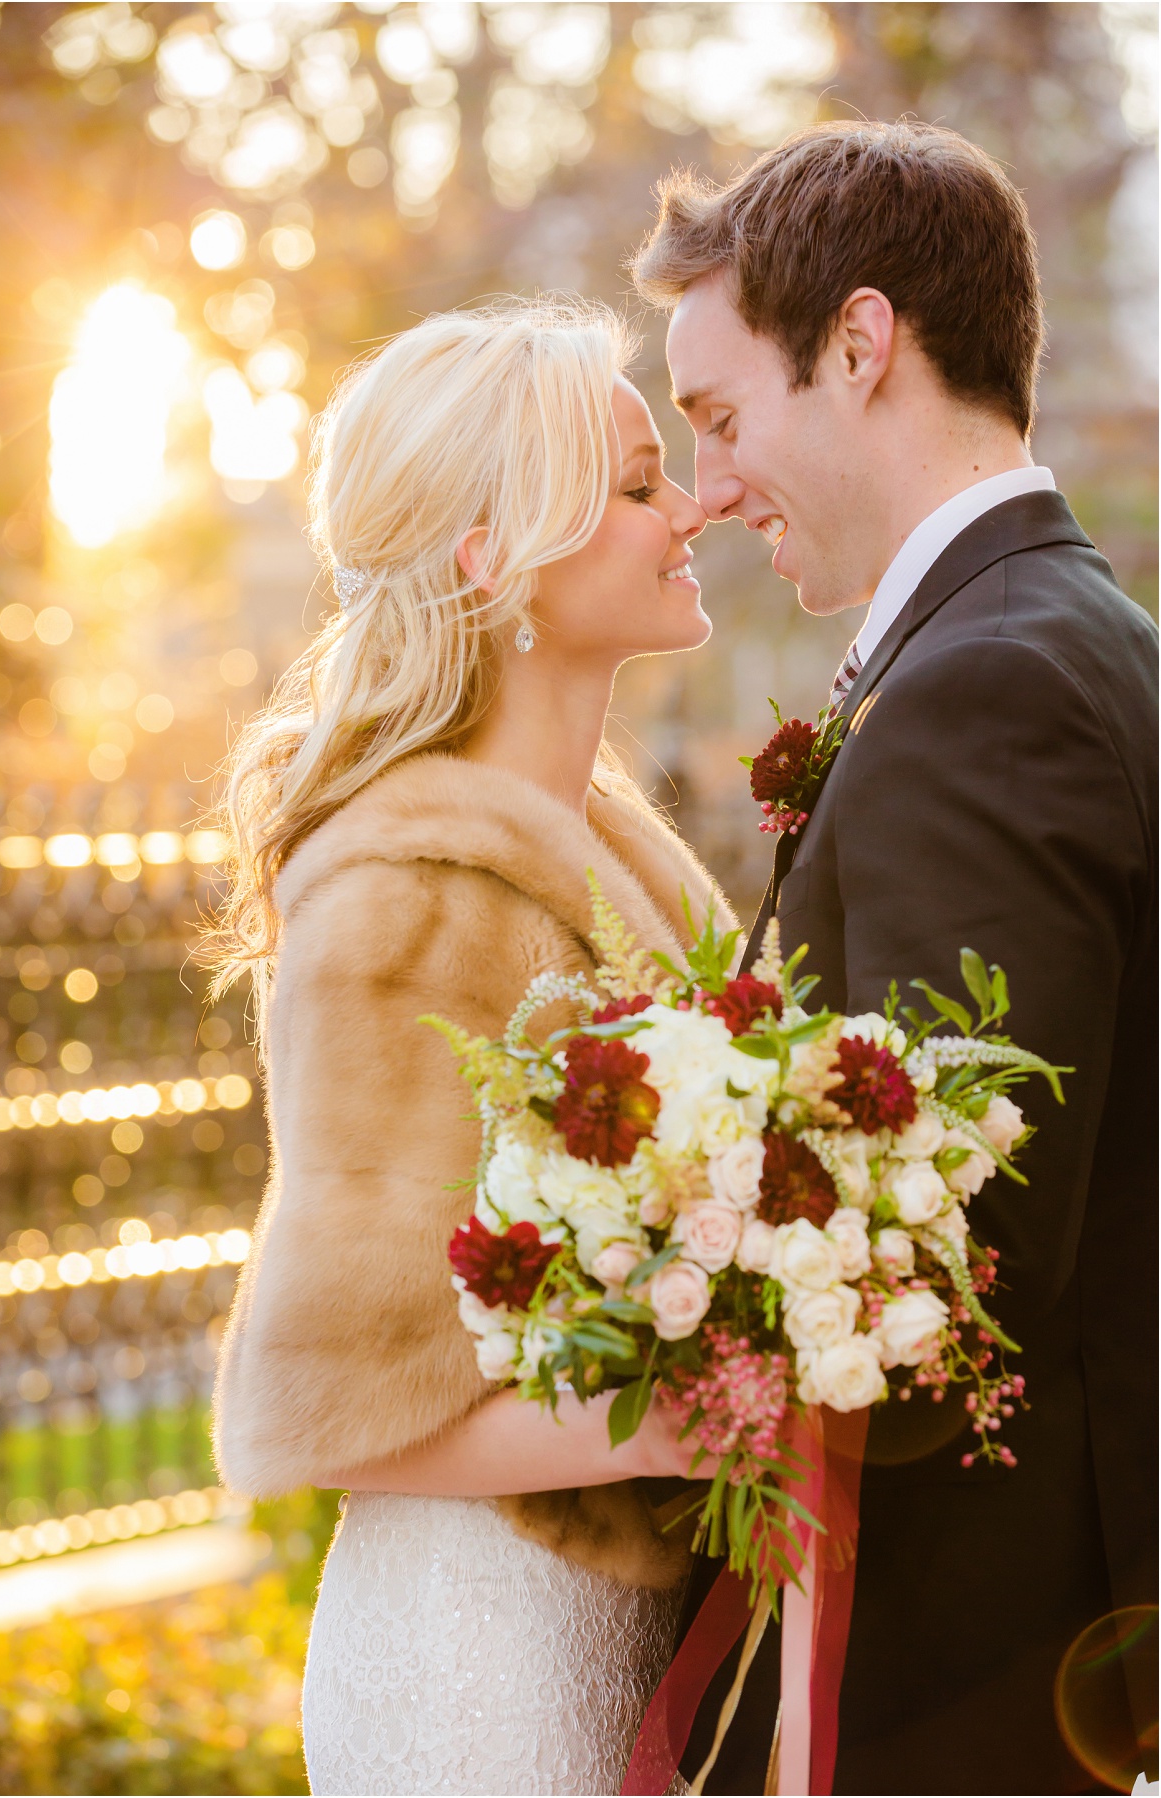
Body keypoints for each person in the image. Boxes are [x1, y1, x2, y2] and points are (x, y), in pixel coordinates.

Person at [633, 119, 1158, 1795]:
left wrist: (648, 1387)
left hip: (976, 1664)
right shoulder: (1083, 638)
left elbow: (965, 1254)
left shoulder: (981, 689)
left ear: (860, 347)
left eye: (721, 421)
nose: (710, 490)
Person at [207, 300, 730, 1797]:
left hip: (632, 1630)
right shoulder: (407, 889)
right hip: (483, 1668)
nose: (688, 507)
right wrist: (700, 1408)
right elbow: (334, 1404)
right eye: (638, 486)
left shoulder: (619, 859)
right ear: (493, 554)